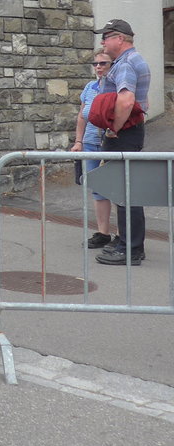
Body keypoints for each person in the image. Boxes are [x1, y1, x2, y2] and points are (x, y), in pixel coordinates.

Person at [92, 19, 151, 266]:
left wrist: (113, 129)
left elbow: (126, 101)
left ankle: (131, 249)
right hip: (129, 133)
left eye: (106, 37)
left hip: (124, 135)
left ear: (119, 39)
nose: (103, 42)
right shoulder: (131, 60)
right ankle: (126, 242)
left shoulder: (125, 63)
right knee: (124, 190)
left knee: (126, 192)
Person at [72, 48, 114, 248]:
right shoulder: (90, 87)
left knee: (118, 189)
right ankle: (103, 233)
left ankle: (123, 235)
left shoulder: (117, 87)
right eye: (95, 64)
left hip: (111, 144)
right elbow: (82, 116)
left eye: (103, 63)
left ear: (112, 65)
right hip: (90, 142)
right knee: (97, 189)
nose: (98, 67)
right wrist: (78, 141)